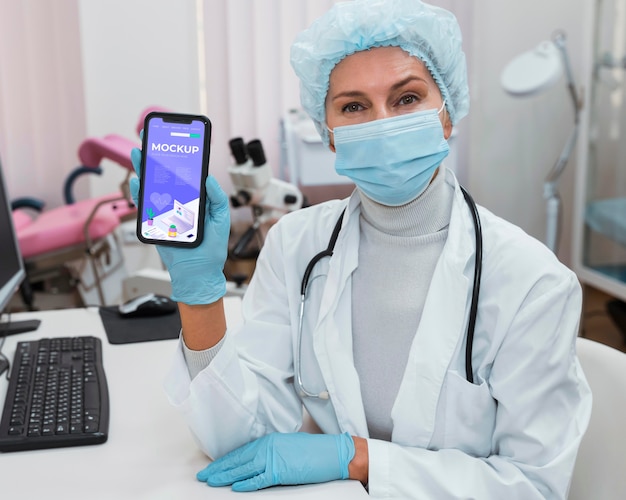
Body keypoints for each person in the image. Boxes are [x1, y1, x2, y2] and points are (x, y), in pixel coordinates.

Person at [130, 0, 591, 497]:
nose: (382, 123)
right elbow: (240, 440)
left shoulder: (533, 281)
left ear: (448, 114)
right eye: (353, 106)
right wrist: (199, 298)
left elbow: (534, 486)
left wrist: (358, 458)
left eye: (407, 98)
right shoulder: (296, 244)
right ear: (328, 135)